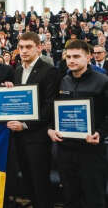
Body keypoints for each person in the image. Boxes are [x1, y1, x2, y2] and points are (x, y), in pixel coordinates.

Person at [48, 39, 108, 208]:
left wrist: (101, 133)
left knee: (94, 198)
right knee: (70, 197)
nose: (72, 60)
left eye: (76, 56)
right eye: (68, 57)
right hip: (66, 150)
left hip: (92, 151)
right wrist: (51, 130)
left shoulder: (102, 81)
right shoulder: (63, 81)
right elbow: (54, 111)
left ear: (88, 57)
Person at [7, 32, 58, 208]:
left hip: (38, 138)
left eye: (28, 47)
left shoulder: (49, 70)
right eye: (21, 47)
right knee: (28, 181)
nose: (24, 51)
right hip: (18, 137)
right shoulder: (18, 70)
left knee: (40, 183)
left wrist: (26, 125)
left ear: (39, 47)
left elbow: (49, 106)